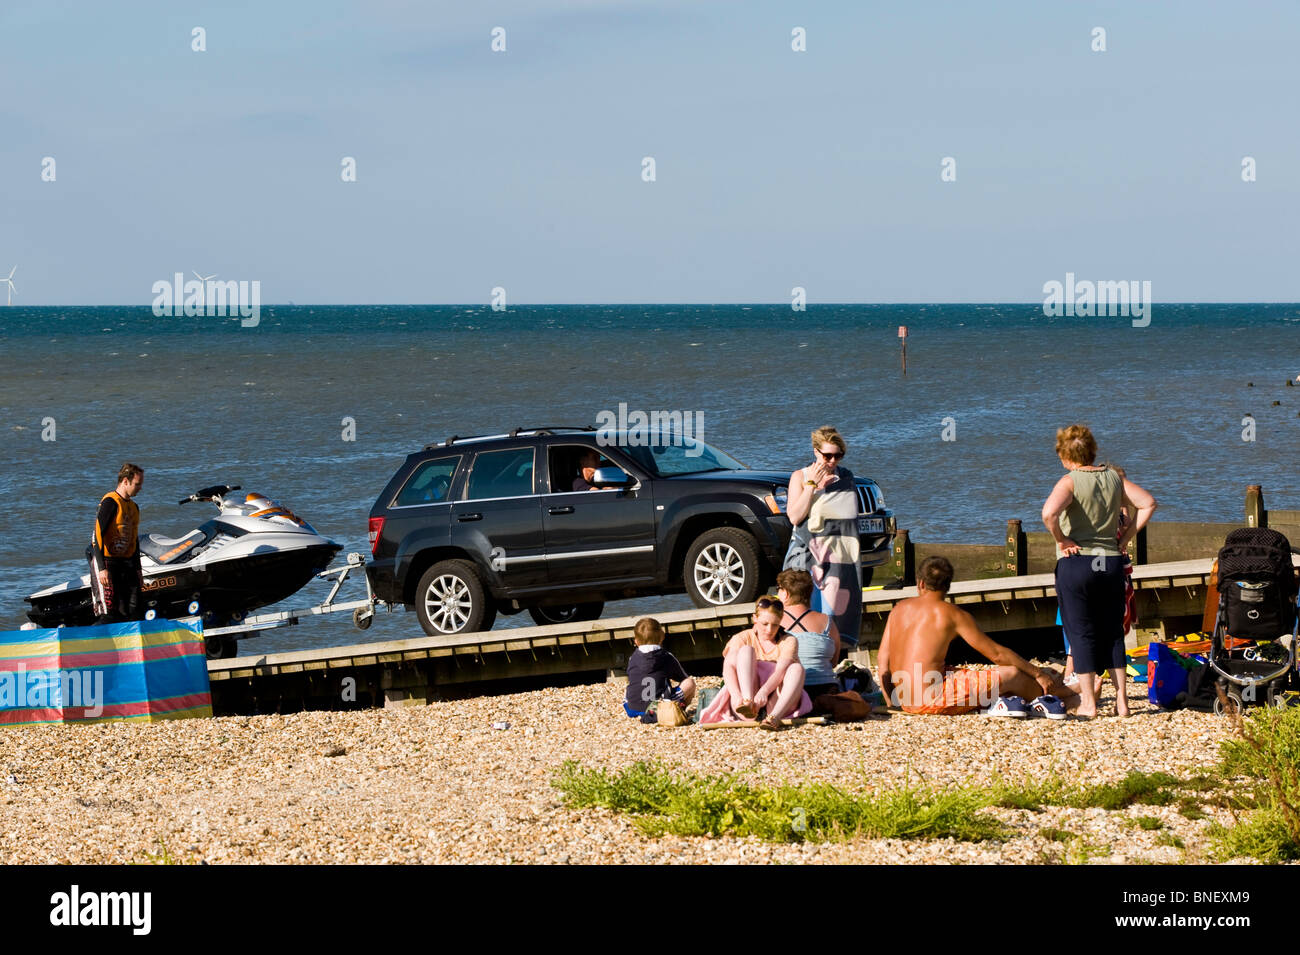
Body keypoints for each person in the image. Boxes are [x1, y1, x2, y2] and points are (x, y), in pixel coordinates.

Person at [1042, 426, 1156, 719]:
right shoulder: (1114, 478)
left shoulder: (1069, 481)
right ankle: (1123, 703)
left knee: (1080, 632)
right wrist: (1125, 538)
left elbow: (1048, 514)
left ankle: (1090, 705)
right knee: (1113, 631)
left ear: (1065, 456)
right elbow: (1148, 503)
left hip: (1078, 562)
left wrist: (1061, 540)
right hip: (1109, 563)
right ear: (1093, 450)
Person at [877, 556, 1076, 716]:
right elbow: (997, 654)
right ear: (948, 586)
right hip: (929, 701)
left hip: (902, 699)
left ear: (920, 583)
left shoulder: (898, 609)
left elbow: (883, 662)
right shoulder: (952, 614)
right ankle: (1066, 697)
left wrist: (891, 702)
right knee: (1011, 675)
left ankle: (1051, 688)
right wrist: (1037, 673)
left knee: (981, 676)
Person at [783, 426, 863, 649]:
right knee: (803, 609)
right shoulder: (800, 477)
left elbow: (848, 519)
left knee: (833, 614)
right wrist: (811, 487)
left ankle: (830, 663)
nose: (832, 461)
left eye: (838, 455)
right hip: (807, 557)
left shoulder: (846, 477)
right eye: (828, 455)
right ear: (816, 452)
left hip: (838, 558)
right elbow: (795, 517)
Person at [699, 597, 810, 730]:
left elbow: (781, 671)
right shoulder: (742, 637)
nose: (769, 630)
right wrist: (736, 696)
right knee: (746, 650)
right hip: (748, 699)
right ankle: (747, 702)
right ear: (755, 619)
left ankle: (774, 717)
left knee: (797, 668)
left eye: (775, 625)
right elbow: (728, 667)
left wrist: (764, 692)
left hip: (777, 700)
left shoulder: (788, 640)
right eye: (765, 624)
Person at [90, 463, 146, 625]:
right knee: (110, 613)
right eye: (137, 484)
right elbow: (97, 535)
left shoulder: (134, 507)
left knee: (134, 609)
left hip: (127, 562)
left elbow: (134, 540)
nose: (140, 488)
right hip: (108, 561)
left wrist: (138, 571)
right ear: (125, 482)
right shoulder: (110, 502)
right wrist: (102, 568)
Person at [775, 568, 841, 702]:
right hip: (826, 689)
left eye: (779, 588)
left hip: (790, 692)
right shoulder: (827, 621)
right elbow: (833, 662)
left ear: (786, 594)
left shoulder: (773, 622)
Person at [623, 617, 696, 723]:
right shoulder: (666, 657)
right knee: (689, 683)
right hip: (659, 707)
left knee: (629, 686)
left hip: (632, 707)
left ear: (636, 641)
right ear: (662, 637)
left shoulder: (632, 658)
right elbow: (683, 678)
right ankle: (679, 709)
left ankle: (639, 710)